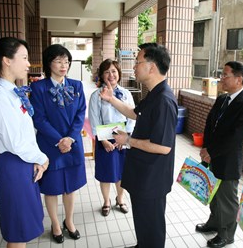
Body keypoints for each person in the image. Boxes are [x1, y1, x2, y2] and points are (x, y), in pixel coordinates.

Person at [100, 43, 178, 248]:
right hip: (143, 173)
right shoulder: (153, 93)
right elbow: (135, 113)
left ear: (151, 67)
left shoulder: (164, 100)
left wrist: (128, 140)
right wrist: (111, 100)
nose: (134, 67)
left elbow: (163, 147)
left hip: (153, 178)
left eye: (138, 62)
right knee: (143, 222)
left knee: (152, 225)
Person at [0, 37, 49, 248]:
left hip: (23, 162)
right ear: (7, 61)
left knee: (23, 228)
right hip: (14, 164)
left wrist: (36, 159)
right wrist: (42, 158)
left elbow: (25, 133)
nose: (29, 64)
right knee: (18, 232)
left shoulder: (10, 91)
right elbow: (16, 142)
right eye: (25, 58)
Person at [195, 61, 243, 248]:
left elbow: (235, 137)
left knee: (227, 200)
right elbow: (210, 125)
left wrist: (211, 152)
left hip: (228, 160)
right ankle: (214, 223)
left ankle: (227, 234)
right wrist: (206, 148)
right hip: (212, 156)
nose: (221, 78)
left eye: (225, 75)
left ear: (239, 79)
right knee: (213, 194)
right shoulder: (222, 99)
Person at [29, 44, 86, 244]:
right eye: (59, 61)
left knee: (71, 187)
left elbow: (81, 114)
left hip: (73, 145)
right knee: (52, 188)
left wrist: (69, 138)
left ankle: (69, 221)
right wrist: (59, 140)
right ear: (49, 63)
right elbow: (39, 119)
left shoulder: (77, 86)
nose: (64, 65)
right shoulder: (38, 88)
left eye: (67, 61)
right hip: (49, 146)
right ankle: (54, 224)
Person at [88, 59, 136, 216]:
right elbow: (94, 119)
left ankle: (120, 199)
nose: (111, 75)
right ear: (102, 75)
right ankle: (106, 201)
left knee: (122, 173)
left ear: (119, 73)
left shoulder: (126, 93)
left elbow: (132, 117)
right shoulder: (96, 96)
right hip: (105, 141)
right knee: (106, 173)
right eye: (107, 72)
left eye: (114, 71)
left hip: (123, 139)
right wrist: (103, 141)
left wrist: (126, 138)